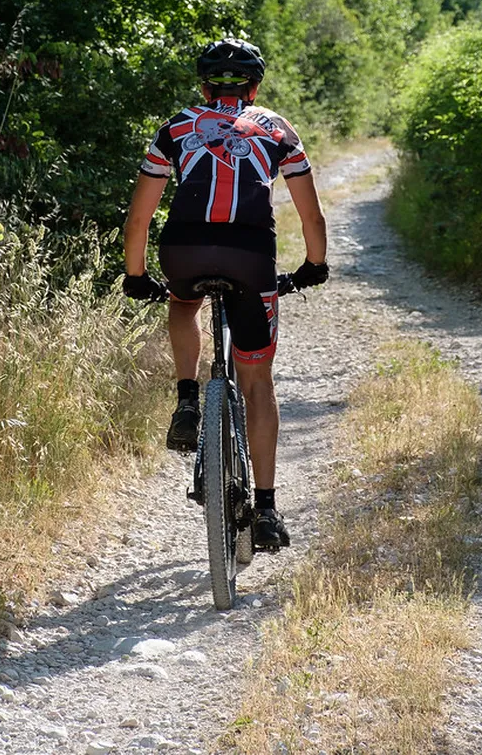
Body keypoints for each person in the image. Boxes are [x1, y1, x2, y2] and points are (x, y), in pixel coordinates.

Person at [121, 38, 329, 550]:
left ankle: (188, 398)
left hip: (184, 252)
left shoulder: (175, 128)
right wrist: (313, 267)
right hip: (250, 256)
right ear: (255, 87)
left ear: (203, 85)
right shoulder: (277, 129)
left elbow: (139, 217)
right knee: (258, 383)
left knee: (182, 300)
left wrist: (135, 274)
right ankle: (265, 509)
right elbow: (312, 217)